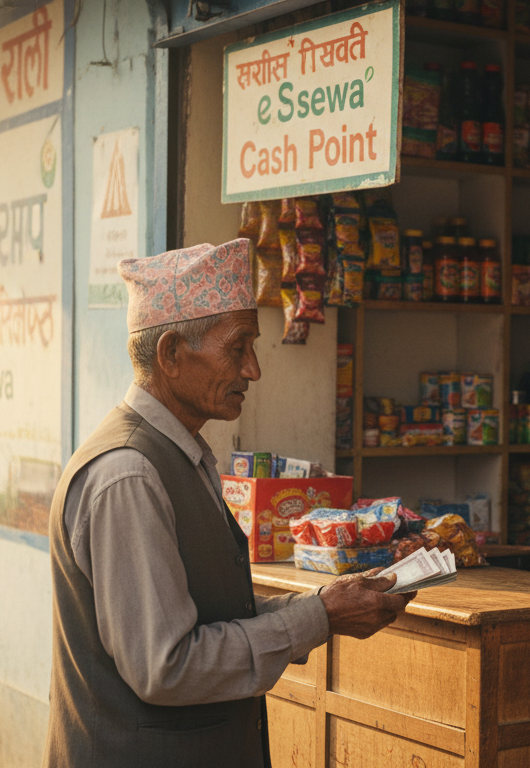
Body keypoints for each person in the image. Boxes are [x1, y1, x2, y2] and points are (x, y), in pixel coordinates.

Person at [44, 239, 413, 767]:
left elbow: (206, 616)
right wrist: (319, 618)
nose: (254, 370)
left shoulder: (181, 456)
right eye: (238, 348)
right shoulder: (129, 475)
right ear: (172, 354)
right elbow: (166, 665)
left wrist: (322, 608)